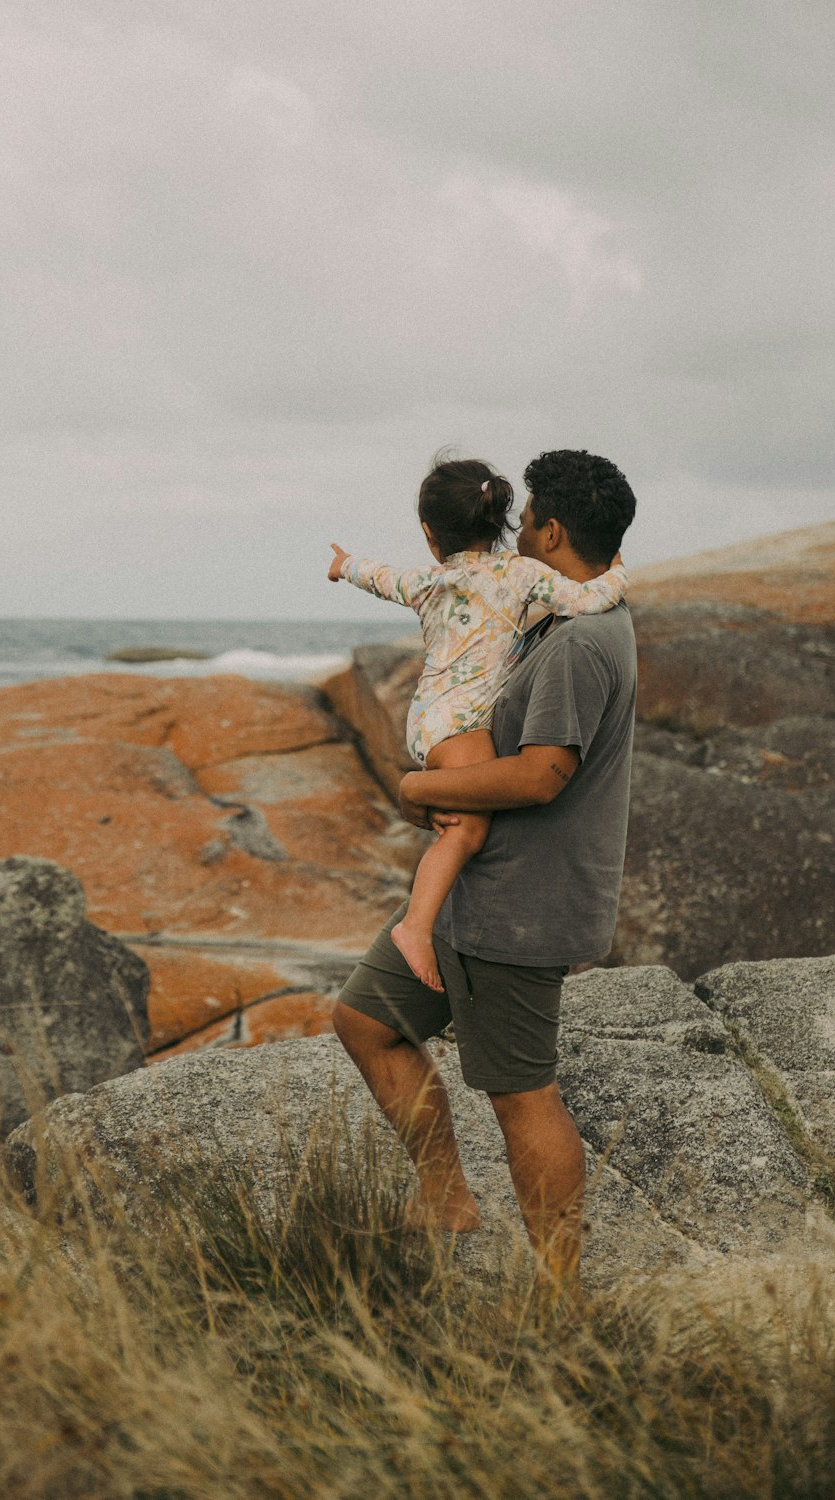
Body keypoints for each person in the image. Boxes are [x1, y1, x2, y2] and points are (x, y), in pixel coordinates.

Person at [332, 448, 638, 1292]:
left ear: (553, 529)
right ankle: (446, 1195)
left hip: (518, 909)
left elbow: (542, 775)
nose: (520, 531)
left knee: (522, 1096)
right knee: (366, 1021)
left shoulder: (582, 642)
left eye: (531, 516)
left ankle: (559, 1298)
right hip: (475, 896)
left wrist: (418, 783)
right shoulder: (546, 608)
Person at [328, 452, 627, 994]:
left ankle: (422, 931)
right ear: (501, 521)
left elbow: (380, 578)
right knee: (467, 828)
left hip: (432, 714)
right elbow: (585, 598)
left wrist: (344, 564)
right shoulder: (522, 574)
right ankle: (416, 929)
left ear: (429, 533)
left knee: (457, 821)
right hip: (463, 723)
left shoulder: (428, 581)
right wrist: (619, 572)